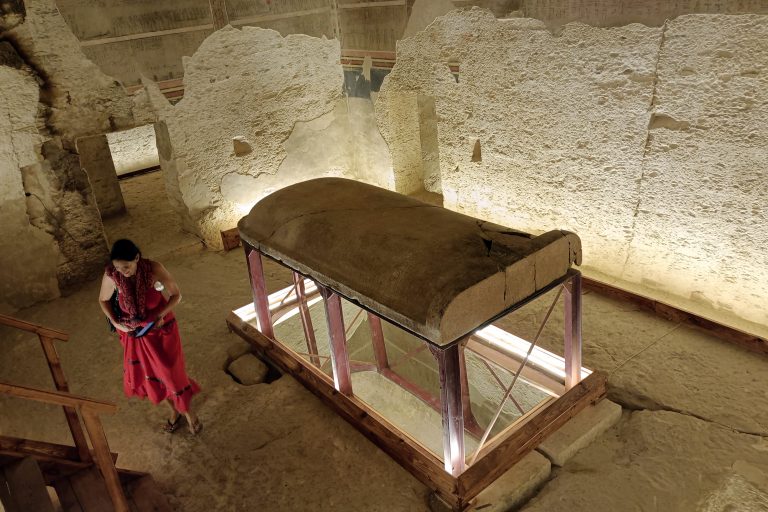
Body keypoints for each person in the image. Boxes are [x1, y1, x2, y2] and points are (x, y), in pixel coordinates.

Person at [98, 239, 202, 434]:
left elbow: (176, 295)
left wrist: (160, 315)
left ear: (137, 258)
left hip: (161, 330)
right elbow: (103, 300)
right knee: (150, 376)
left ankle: (188, 412)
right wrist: (116, 322)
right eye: (118, 267)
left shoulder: (153, 269)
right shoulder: (112, 275)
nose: (122, 271)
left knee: (171, 373)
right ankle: (174, 412)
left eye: (126, 266)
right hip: (134, 335)